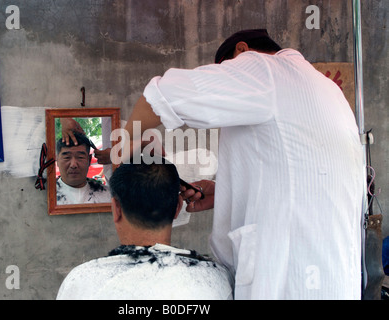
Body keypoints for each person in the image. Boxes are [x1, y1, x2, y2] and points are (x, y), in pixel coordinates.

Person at [118, 29, 364, 299]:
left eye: (225, 69)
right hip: (333, 275)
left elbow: (161, 94)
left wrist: (123, 143)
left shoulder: (263, 69)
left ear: (242, 51)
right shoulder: (325, 88)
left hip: (288, 278)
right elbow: (299, 175)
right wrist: (226, 190)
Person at [56, 160, 233, 300]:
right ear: (178, 207)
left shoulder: (81, 282)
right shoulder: (217, 280)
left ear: (116, 209)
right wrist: (228, 195)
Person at [56, 131, 111, 205]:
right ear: (57, 160)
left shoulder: (107, 195)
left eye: (80, 157)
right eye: (67, 157)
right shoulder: (46, 196)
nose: (73, 165)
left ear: (89, 160)